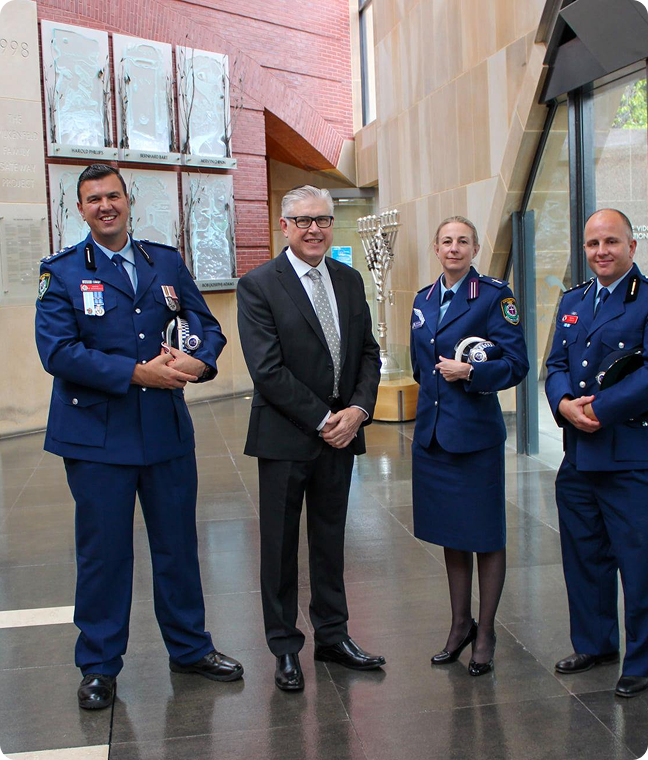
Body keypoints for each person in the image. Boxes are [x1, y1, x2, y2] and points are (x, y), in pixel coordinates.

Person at [35, 164, 243, 711]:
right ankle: (99, 665)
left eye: (113, 196)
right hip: (96, 437)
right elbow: (58, 352)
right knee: (104, 554)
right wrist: (134, 373)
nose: (105, 206)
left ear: (129, 201)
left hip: (164, 431)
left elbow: (207, 326)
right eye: (93, 199)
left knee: (178, 545)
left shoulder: (165, 262)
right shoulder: (61, 272)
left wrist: (199, 362)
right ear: (79, 209)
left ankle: (190, 648)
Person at [236, 185, 384, 691]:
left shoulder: (349, 279)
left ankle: (333, 636)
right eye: (303, 221)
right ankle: (284, 646)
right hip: (286, 437)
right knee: (279, 547)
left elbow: (368, 351)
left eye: (322, 219)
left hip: (342, 435)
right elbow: (267, 369)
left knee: (330, 540)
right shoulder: (259, 284)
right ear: (284, 226)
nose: (314, 229)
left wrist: (358, 410)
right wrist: (325, 419)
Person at [410, 216, 529, 676]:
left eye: (463, 241)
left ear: (475, 248)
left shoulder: (495, 296)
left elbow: (516, 363)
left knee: (485, 534)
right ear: (436, 247)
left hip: (475, 437)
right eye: (446, 241)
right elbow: (421, 367)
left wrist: (473, 373)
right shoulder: (423, 299)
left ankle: (486, 632)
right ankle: (460, 624)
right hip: (433, 435)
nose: (454, 248)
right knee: (452, 534)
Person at [545, 208, 648, 698]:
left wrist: (600, 410)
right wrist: (564, 404)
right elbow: (555, 363)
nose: (601, 251)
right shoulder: (574, 299)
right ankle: (595, 643)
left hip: (628, 455)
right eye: (592, 244)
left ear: (632, 246)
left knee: (639, 562)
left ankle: (642, 660)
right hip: (579, 454)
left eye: (611, 242)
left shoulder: (645, 299)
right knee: (584, 555)